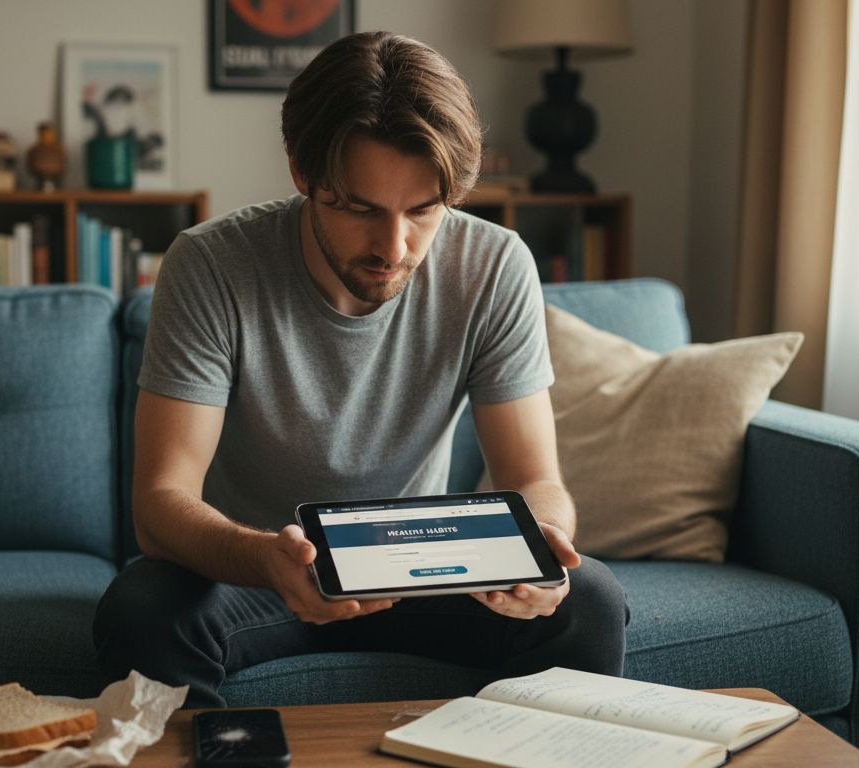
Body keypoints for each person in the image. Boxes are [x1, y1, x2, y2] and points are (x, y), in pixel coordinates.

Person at [93, 31, 627, 707]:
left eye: (423, 211)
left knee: (589, 599)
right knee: (141, 607)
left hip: (425, 567)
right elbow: (160, 505)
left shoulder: (495, 266)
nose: (394, 247)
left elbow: (534, 479)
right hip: (256, 574)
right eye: (360, 209)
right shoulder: (210, 265)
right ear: (301, 172)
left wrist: (539, 549)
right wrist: (267, 560)